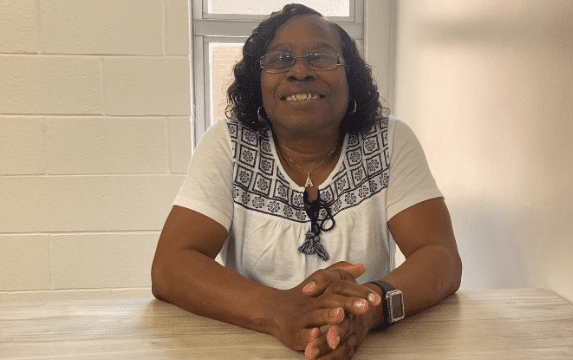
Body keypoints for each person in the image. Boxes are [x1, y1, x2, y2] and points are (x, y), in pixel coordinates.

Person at [151, 3, 462, 359]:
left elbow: (441, 258)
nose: (300, 71)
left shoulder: (389, 140)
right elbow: (171, 266)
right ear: (259, 79)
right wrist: (280, 311)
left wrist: (369, 308)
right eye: (281, 59)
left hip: (369, 345)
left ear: (350, 77)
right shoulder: (230, 143)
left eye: (320, 57)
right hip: (251, 344)